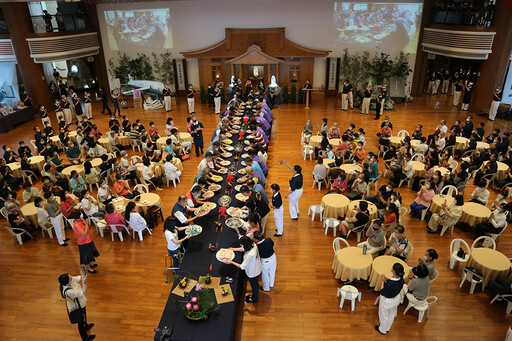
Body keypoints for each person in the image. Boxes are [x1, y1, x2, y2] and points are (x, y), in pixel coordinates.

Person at [58, 273, 96, 340]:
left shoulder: (68, 282)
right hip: (77, 307)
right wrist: (84, 282)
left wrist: (82, 275)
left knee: (84, 316)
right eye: (70, 278)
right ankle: (85, 337)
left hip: (80, 303)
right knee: (80, 323)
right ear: (67, 283)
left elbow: (77, 278)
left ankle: (86, 325)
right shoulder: (69, 292)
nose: (73, 278)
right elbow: (84, 291)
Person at [225, 236, 262, 303]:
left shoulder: (250, 255)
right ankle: (255, 293)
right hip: (256, 267)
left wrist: (230, 261)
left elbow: (242, 266)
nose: (241, 245)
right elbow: (244, 249)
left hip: (252, 272)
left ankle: (254, 298)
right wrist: (233, 249)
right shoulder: (253, 245)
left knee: (254, 286)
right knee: (255, 284)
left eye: (242, 244)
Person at [375, 263, 405, 335]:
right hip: (396, 299)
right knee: (391, 315)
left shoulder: (390, 283)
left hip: (387, 301)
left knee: (383, 316)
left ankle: (382, 329)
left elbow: (382, 291)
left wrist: (383, 281)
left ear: (393, 271)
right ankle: (387, 327)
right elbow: (392, 284)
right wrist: (386, 280)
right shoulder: (401, 280)